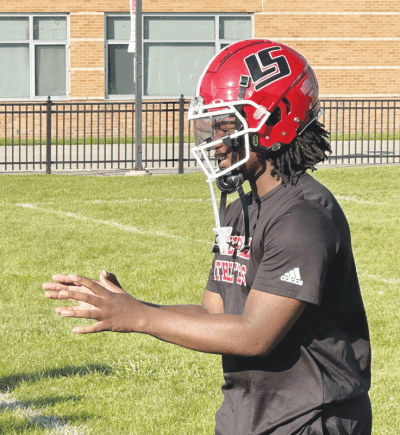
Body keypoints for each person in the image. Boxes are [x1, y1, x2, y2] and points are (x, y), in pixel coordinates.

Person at [43, 40, 372, 434]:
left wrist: (141, 318)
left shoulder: (302, 217)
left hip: (310, 420)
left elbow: (255, 335)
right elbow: (215, 315)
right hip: (249, 415)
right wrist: (130, 306)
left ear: (274, 122)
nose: (213, 138)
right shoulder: (241, 209)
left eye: (225, 124)